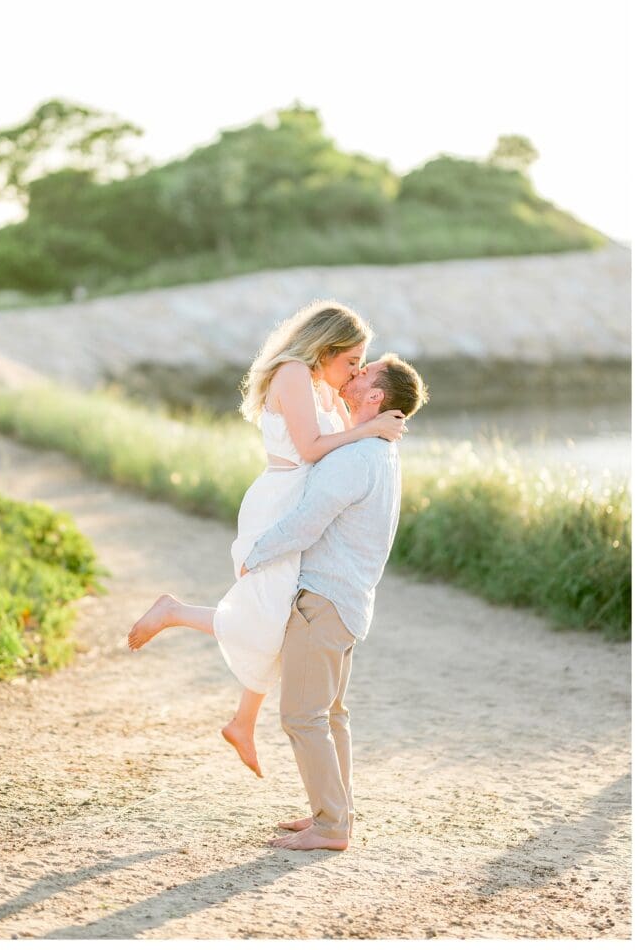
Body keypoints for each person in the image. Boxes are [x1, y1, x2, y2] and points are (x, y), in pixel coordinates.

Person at [126, 301, 407, 777]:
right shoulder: (294, 373)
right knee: (268, 617)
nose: (355, 371)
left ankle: (242, 720)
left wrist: (374, 427)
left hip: (298, 503)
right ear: (328, 346)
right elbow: (313, 449)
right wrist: (373, 429)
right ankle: (173, 613)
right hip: (278, 504)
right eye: (353, 361)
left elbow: (348, 438)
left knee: (277, 622)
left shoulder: (321, 385)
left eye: (361, 364)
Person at [239, 352, 428, 852]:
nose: (355, 372)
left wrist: (256, 554)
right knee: (331, 715)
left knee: (301, 716)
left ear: (375, 397)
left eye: (365, 373)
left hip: (323, 599)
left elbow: (308, 520)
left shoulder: (354, 456)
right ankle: (334, 813)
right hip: (349, 600)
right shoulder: (379, 450)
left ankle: (331, 827)